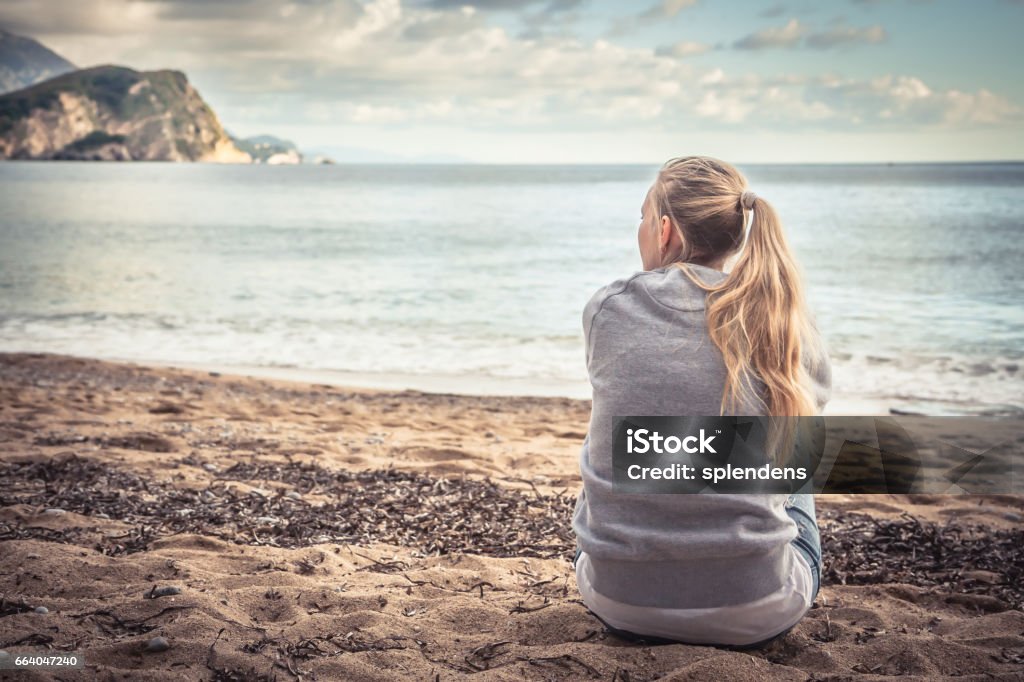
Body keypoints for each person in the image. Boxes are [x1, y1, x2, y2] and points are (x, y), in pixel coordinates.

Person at [571, 155, 831, 648]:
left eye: (644, 219)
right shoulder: (784, 317)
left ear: (665, 230)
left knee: (639, 447)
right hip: (760, 610)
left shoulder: (608, 307)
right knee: (793, 457)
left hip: (619, 602)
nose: (642, 230)